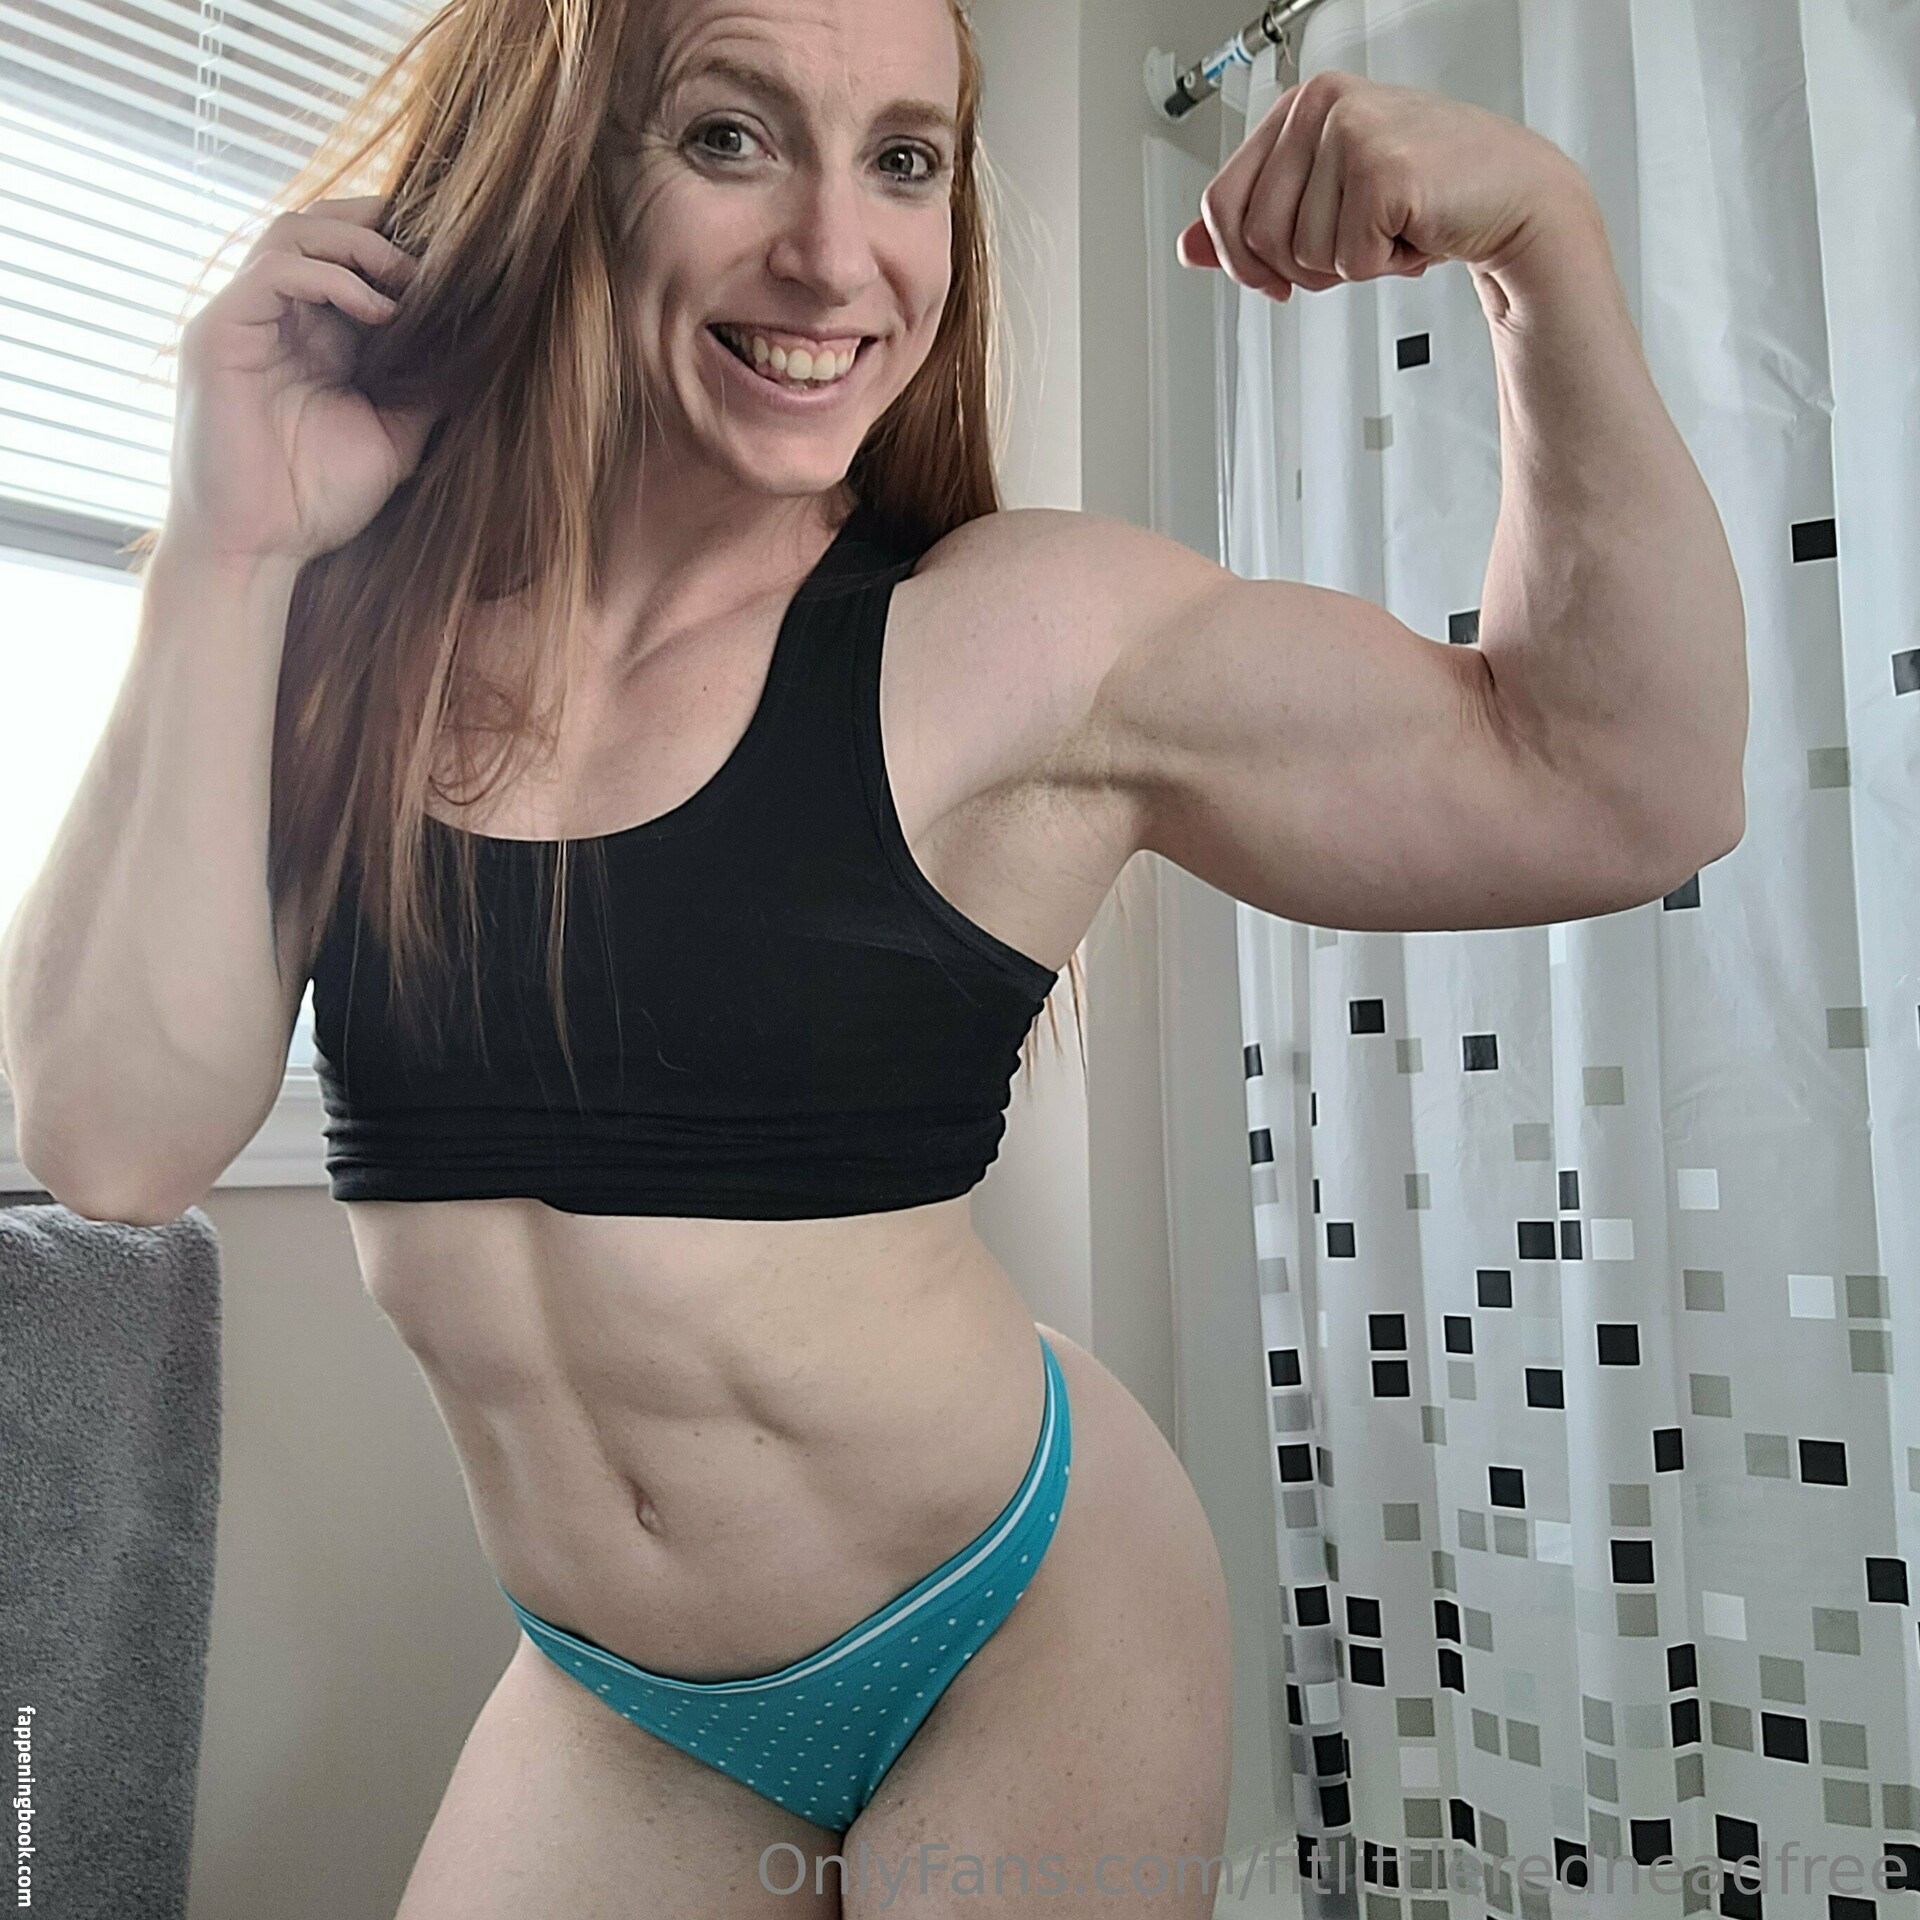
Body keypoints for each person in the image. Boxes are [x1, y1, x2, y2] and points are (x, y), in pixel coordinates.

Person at [0, 0, 1748, 1911]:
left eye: (905, 160)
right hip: (622, 1695)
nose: (837, 256)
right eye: (730, 138)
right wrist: (230, 548)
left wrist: (1543, 249)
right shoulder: (356, 646)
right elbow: (112, 1145)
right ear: (559, 173)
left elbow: (1621, 786)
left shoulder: (1025, 631)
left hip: (1017, 1619)